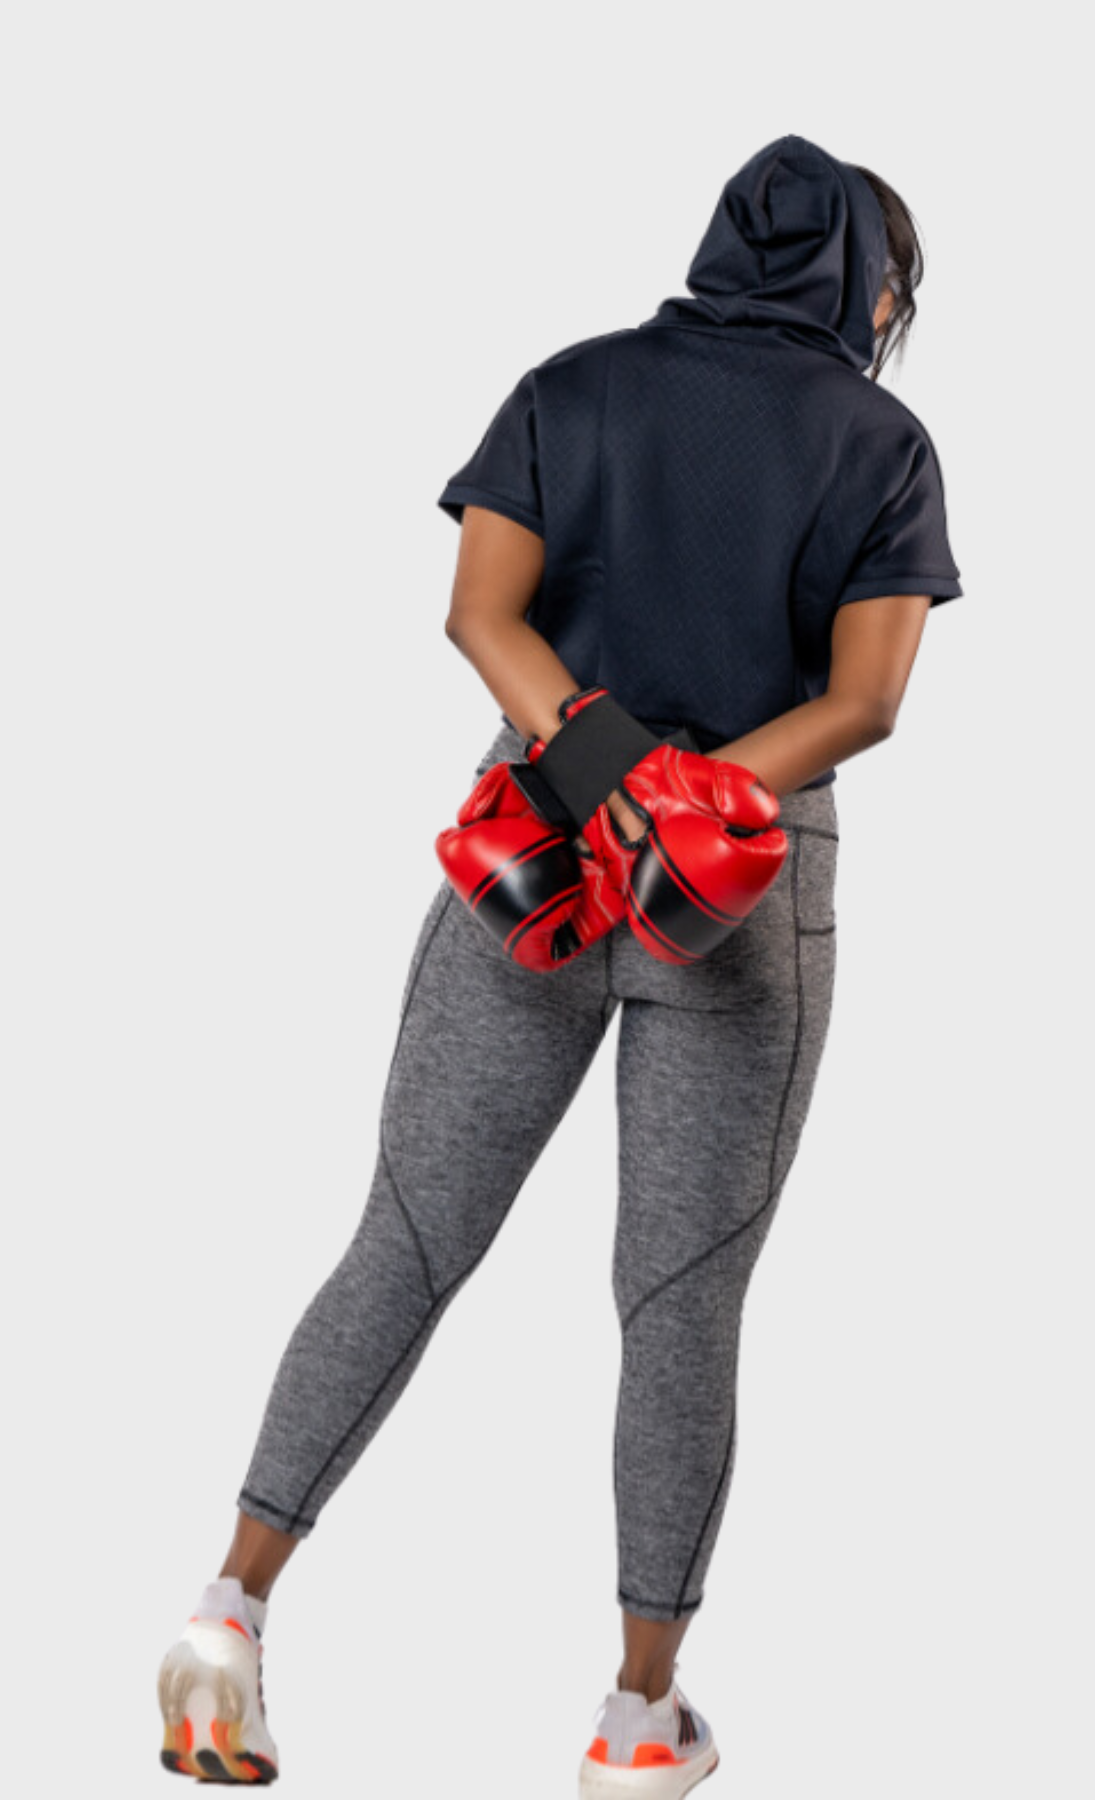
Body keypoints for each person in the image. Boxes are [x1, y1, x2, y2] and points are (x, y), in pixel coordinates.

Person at [156, 131, 965, 1796]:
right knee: (679, 1303)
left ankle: (225, 1622)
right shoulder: (882, 443)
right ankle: (638, 1724)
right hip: (738, 891)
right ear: (868, 286)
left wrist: (601, 771)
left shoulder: (574, 385)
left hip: (528, 847)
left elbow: (482, 612)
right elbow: (868, 702)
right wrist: (687, 800)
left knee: (403, 1241)